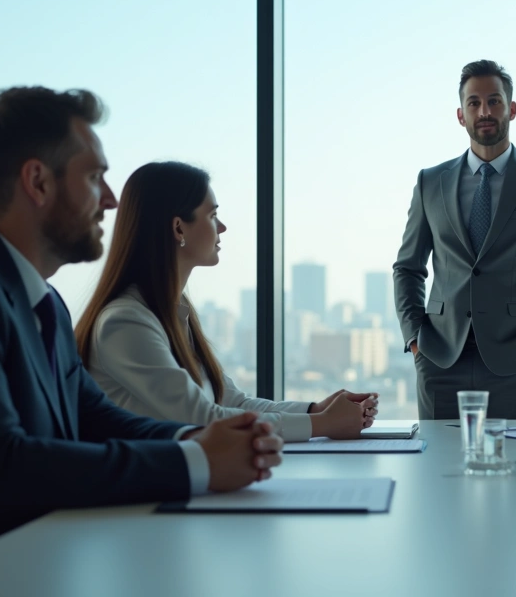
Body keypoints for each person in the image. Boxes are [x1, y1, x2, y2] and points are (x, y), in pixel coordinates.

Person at [0, 87, 283, 563]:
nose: (112, 200)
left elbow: (94, 418)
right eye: (95, 176)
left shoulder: (42, 301)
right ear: (38, 182)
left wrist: (194, 439)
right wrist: (196, 462)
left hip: (21, 563)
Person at [75, 161, 378, 440]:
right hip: (151, 494)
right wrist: (322, 425)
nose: (222, 228)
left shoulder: (174, 314)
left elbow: (232, 401)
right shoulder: (125, 322)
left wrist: (315, 409)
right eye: (212, 215)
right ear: (179, 227)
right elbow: (203, 419)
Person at [393, 60, 516, 420]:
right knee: (437, 470)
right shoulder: (430, 182)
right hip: (439, 358)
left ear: (511, 109)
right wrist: (414, 339)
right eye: (474, 103)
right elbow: (407, 268)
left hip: (515, 360)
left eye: (494, 101)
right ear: (460, 115)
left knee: (514, 470)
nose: (484, 111)